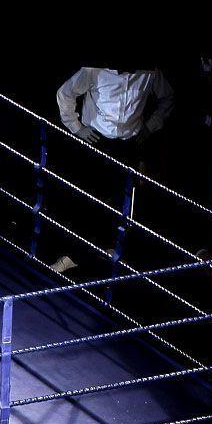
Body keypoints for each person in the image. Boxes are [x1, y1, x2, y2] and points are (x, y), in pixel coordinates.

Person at [50, 61, 174, 273]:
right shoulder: (95, 69)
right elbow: (64, 93)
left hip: (129, 144)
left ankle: (110, 253)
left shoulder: (150, 72)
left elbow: (168, 97)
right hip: (98, 140)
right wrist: (77, 127)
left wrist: (150, 126)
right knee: (87, 200)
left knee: (121, 202)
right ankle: (73, 255)